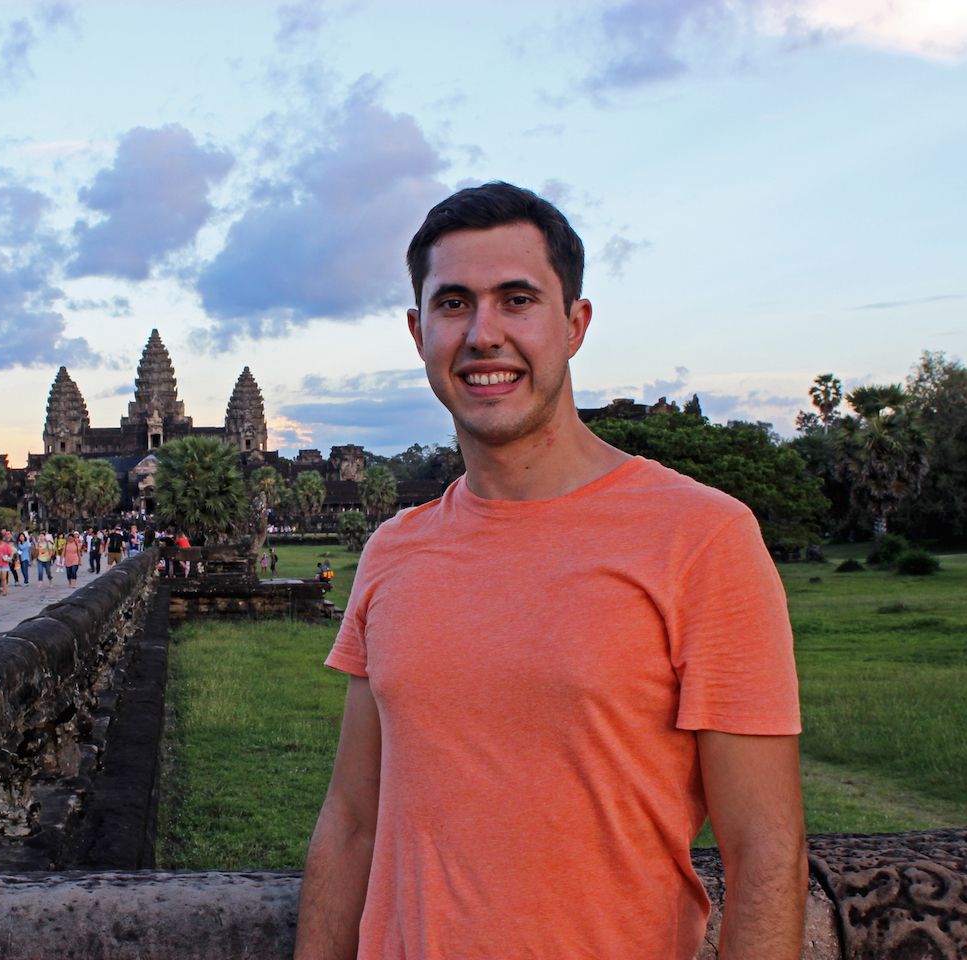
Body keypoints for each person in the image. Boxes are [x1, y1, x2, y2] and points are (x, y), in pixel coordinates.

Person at [294, 182, 805, 960]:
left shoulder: (702, 537)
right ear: (418, 329)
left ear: (575, 325)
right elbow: (352, 821)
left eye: (518, 300)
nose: (483, 334)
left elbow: (766, 855)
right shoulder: (393, 551)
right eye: (455, 303)